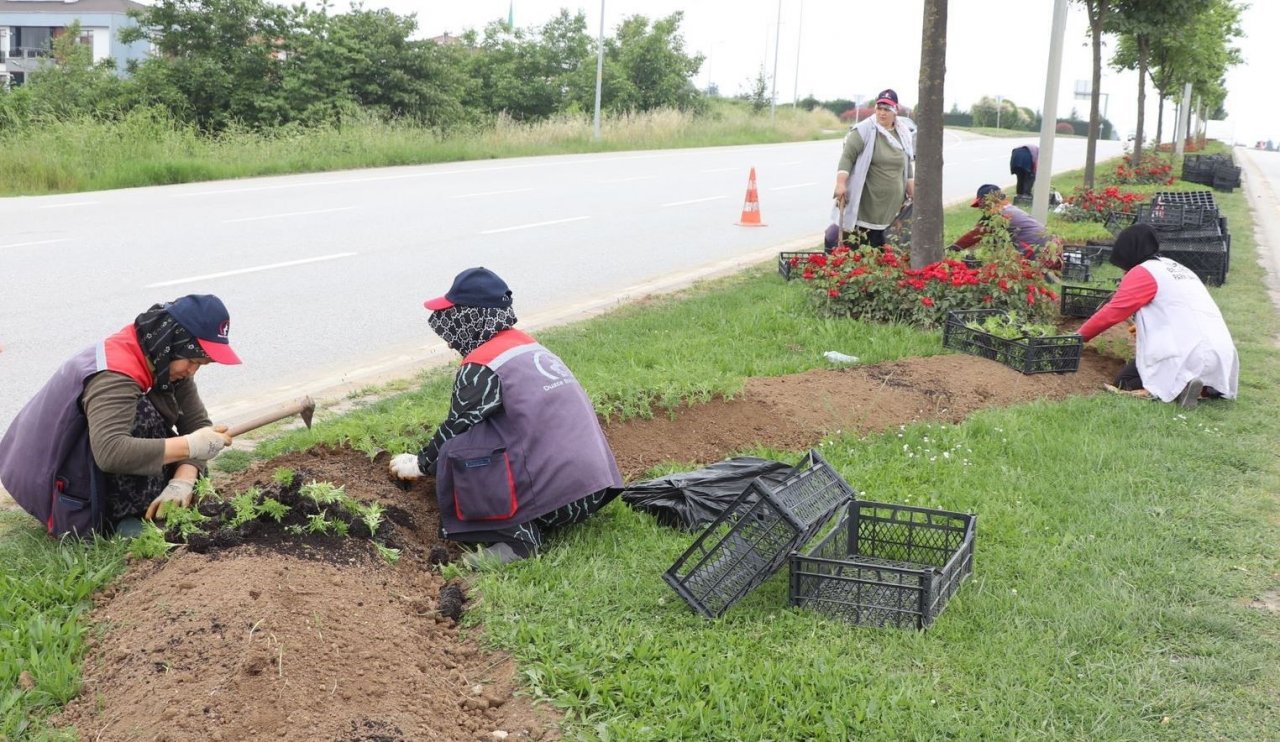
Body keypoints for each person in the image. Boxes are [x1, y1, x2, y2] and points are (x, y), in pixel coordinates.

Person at [388, 267, 623, 565]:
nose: (449, 336)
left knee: (459, 450)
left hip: (561, 502)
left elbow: (455, 429)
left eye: (453, 315)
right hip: (596, 489)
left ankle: (517, 538)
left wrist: (419, 465)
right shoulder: (529, 346)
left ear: (469, 316)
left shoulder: (482, 366)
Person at [0, 295, 239, 537]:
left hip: (91, 449)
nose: (192, 371)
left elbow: (197, 425)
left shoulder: (163, 361)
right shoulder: (115, 375)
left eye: (201, 364)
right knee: (142, 414)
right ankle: (124, 517)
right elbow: (111, 452)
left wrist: (183, 481)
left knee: (179, 447)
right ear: (171, 341)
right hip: (51, 474)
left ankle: (154, 500)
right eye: (192, 361)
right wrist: (190, 446)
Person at [1078, 224, 1238, 409]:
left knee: (1125, 381)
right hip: (1220, 352)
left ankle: (1182, 387)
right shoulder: (1176, 267)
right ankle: (1206, 388)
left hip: (1188, 352)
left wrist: (1079, 337)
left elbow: (1112, 312)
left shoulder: (1143, 272)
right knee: (1146, 370)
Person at [829, 88, 915, 250]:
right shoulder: (864, 130)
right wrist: (841, 184)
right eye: (879, 108)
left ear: (895, 111)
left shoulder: (903, 134)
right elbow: (847, 157)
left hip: (892, 208)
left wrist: (913, 192)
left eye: (887, 109)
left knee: (884, 250)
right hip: (867, 206)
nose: (882, 113)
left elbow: (907, 166)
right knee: (862, 247)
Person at [947, 184, 1056, 259]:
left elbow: (974, 235)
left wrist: (953, 248)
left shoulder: (996, 214)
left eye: (981, 204)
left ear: (987, 201)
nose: (981, 208)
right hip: (1049, 249)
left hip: (1035, 252)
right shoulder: (1008, 208)